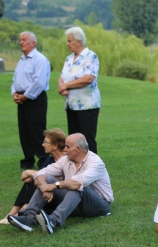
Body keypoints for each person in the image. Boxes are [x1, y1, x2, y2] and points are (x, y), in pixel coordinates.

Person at [7, 133, 113, 234]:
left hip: (99, 205)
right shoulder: (66, 160)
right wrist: (45, 186)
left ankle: (54, 221)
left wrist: (53, 186)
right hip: (74, 204)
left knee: (77, 187)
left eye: (67, 146)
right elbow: (41, 173)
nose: (64, 149)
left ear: (78, 149)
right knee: (47, 178)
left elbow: (77, 183)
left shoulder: (95, 162)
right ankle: (29, 218)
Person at [0, 128, 66, 225]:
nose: (43, 145)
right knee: (33, 179)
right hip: (46, 193)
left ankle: (23, 211)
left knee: (38, 177)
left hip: (57, 195)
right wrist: (31, 176)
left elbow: (60, 180)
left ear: (55, 145)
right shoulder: (49, 160)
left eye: (45, 142)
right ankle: (12, 212)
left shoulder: (66, 160)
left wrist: (31, 173)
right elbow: (29, 176)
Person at [58, 26, 101, 154]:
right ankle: (76, 167)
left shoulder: (90, 56)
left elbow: (88, 78)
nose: (67, 44)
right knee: (73, 139)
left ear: (79, 41)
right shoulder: (69, 58)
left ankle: (93, 168)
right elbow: (62, 76)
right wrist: (62, 86)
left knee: (87, 139)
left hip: (87, 105)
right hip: (71, 105)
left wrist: (67, 85)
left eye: (69, 41)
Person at [11, 31, 51, 170]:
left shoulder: (40, 59)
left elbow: (39, 82)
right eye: (20, 39)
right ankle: (28, 159)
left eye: (24, 39)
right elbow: (15, 80)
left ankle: (43, 159)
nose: (21, 42)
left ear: (33, 43)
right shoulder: (21, 60)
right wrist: (15, 93)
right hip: (22, 98)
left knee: (36, 129)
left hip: (35, 98)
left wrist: (26, 96)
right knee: (24, 130)